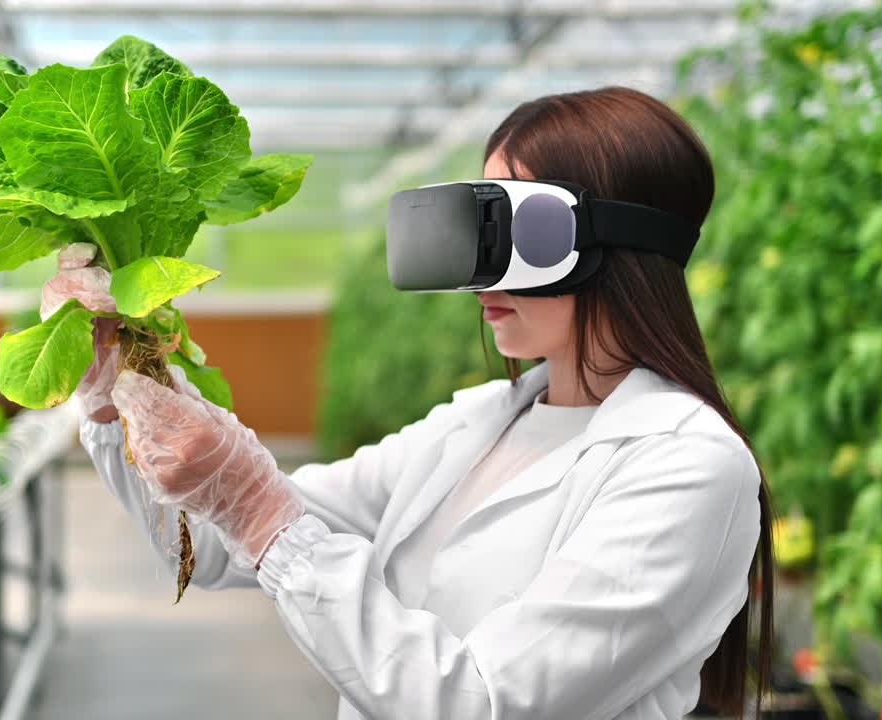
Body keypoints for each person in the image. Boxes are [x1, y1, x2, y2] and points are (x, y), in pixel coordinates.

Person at [57, 86, 774, 720]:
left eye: (514, 229)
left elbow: (481, 703)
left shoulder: (689, 466)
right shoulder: (481, 421)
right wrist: (119, 390)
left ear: (612, 243)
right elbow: (214, 548)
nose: (481, 268)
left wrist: (259, 510)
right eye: (481, 223)